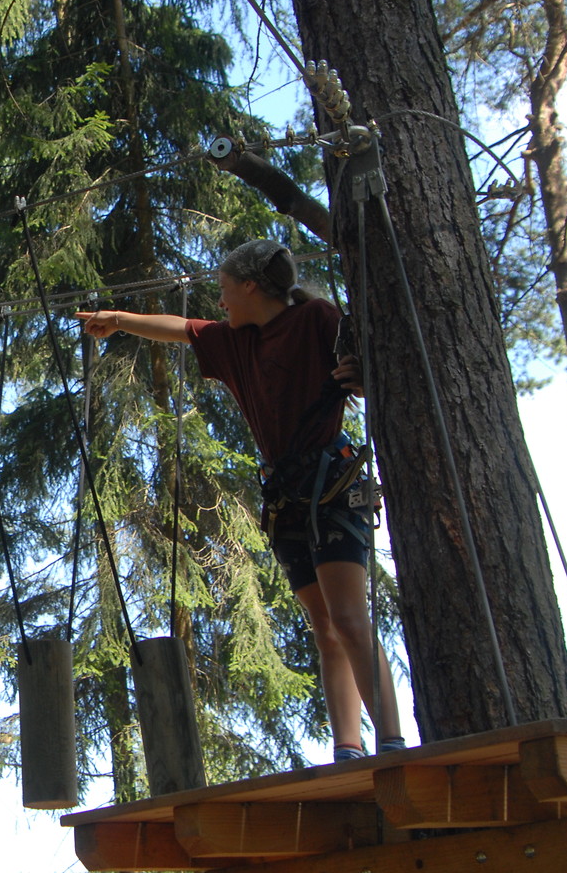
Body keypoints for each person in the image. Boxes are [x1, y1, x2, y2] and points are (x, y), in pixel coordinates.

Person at [76, 239, 405, 763]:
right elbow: (181, 329)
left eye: (225, 288)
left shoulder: (316, 317)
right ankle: (349, 746)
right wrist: (119, 319)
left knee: (347, 617)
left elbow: (366, 365)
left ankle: (391, 738)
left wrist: (362, 377)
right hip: (286, 493)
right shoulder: (235, 342)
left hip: (331, 482)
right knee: (324, 626)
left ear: (250, 284)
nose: (221, 300)